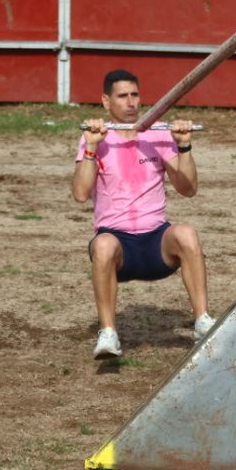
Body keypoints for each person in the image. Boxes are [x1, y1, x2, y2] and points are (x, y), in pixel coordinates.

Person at [74, 69, 214, 359]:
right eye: (122, 96)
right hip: (118, 246)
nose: (131, 103)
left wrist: (184, 145)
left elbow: (188, 189)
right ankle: (108, 333)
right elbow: (80, 193)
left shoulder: (159, 134)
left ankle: (202, 322)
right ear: (106, 101)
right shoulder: (97, 138)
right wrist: (90, 148)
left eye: (134, 95)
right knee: (102, 244)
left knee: (187, 233)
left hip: (155, 244)